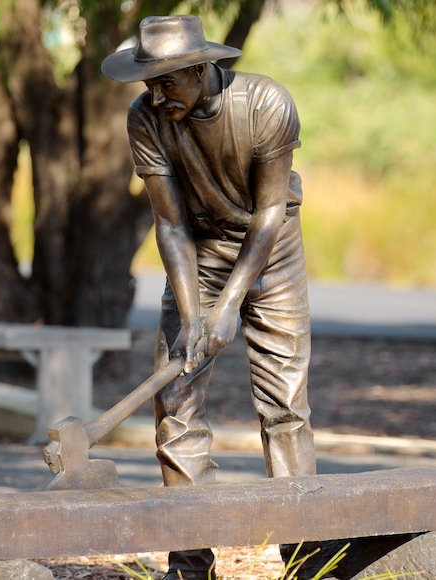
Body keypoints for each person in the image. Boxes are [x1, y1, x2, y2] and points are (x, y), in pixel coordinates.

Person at [102, 15, 334, 580]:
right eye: (147, 83)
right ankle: (188, 564)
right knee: (176, 405)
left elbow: (270, 212)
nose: (156, 96)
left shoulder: (267, 104)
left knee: (284, 406)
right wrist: (192, 315)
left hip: (270, 252)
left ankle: (305, 563)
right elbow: (171, 225)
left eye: (167, 82)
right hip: (197, 252)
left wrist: (229, 305)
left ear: (202, 68)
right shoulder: (146, 119)